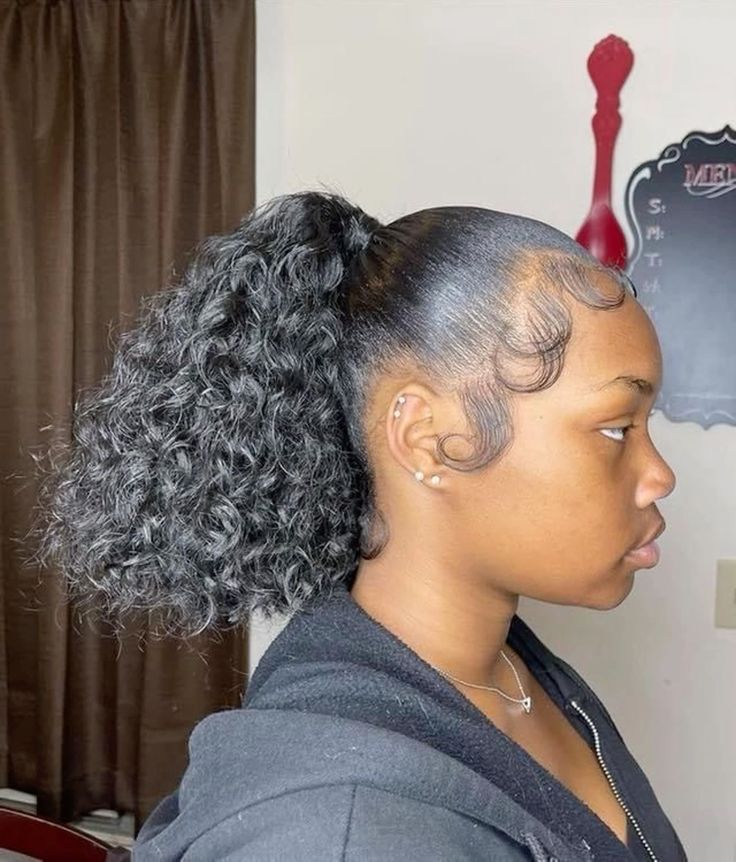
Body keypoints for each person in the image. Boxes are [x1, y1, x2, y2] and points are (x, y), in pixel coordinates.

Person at [33, 190, 686, 860]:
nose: (659, 475)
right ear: (429, 440)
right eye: (617, 427)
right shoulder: (342, 831)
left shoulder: (513, 670)